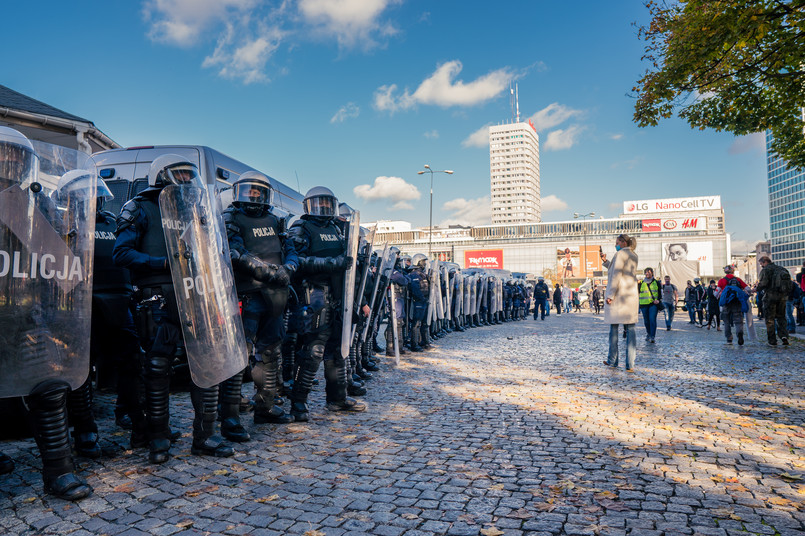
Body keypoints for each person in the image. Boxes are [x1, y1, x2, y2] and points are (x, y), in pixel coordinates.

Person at [114, 155, 235, 464]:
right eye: (178, 175)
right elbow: (122, 253)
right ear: (161, 177)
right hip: (157, 298)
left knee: (207, 365)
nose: (185, 181)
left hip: (196, 296)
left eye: (188, 176)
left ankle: (205, 436)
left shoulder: (194, 210)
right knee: (156, 370)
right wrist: (163, 263)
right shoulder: (139, 208)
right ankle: (157, 437)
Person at [0, 128, 94, 500]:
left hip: (24, 316)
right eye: (3, 155)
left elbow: (60, 269)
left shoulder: (30, 204)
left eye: (15, 157)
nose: (9, 164)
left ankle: (59, 470)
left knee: (49, 387)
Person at [223, 171, 297, 427]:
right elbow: (233, 251)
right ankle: (230, 416)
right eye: (249, 190)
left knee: (271, 352)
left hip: (276, 295)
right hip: (247, 293)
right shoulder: (231, 217)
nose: (253, 195)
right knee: (238, 356)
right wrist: (268, 273)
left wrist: (289, 268)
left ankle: (266, 406)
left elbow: (291, 250)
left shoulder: (276, 219)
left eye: (258, 191)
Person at [287, 187, 367, 421]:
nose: (322, 208)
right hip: (314, 295)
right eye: (318, 204)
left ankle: (337, 398)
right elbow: (297, 261)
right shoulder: (300, 228)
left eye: (326, 204)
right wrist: (332, 263)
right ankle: (299, 403)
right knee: (313, 351)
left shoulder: (336, 228)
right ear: (308, 206)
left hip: (338, 294)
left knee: (338, 349)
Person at [602, 234, 639, 371]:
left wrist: (610, 294)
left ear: (623, 242)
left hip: (619, 297)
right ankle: (630, 363)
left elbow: (615, 275)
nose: (615, 245)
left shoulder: (619, 254)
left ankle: (613, 360)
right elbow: (620, 271)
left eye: (616, 242)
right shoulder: (634, 255)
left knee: (614, 329)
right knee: (631, 330)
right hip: (630, 296)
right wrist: (606, 262)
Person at [756, 256, 791, 346]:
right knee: (781, 317)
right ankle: (784, 336)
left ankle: (772, 341)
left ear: (764, 262)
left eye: (761, 264)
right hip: (782, 297)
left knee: (770, 319)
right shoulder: (781, 269)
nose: (761, 266)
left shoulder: (766, 270)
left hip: (770, 297)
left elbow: (763, 283)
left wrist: (756, 289)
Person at [720, 278, 750, 345]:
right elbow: (745, 297)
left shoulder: (726, 288)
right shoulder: (739, 290)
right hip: (737, 306)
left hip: (726, 307)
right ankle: (739, 333)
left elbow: (721, 300)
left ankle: (729, 338)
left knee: (726, 323)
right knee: (738, 322)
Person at [638, 267, 661, 343]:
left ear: (652, 273)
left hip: (653, 305)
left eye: (649, 272)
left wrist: (658, 300)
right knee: (646, 321)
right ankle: (648, 333)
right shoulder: (641, 283)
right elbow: (637, 293)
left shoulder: (657, 282)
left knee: (652, 320)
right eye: (646, 272)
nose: (647, 274)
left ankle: (652, 336)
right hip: (644, 304)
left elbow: (660, 294)